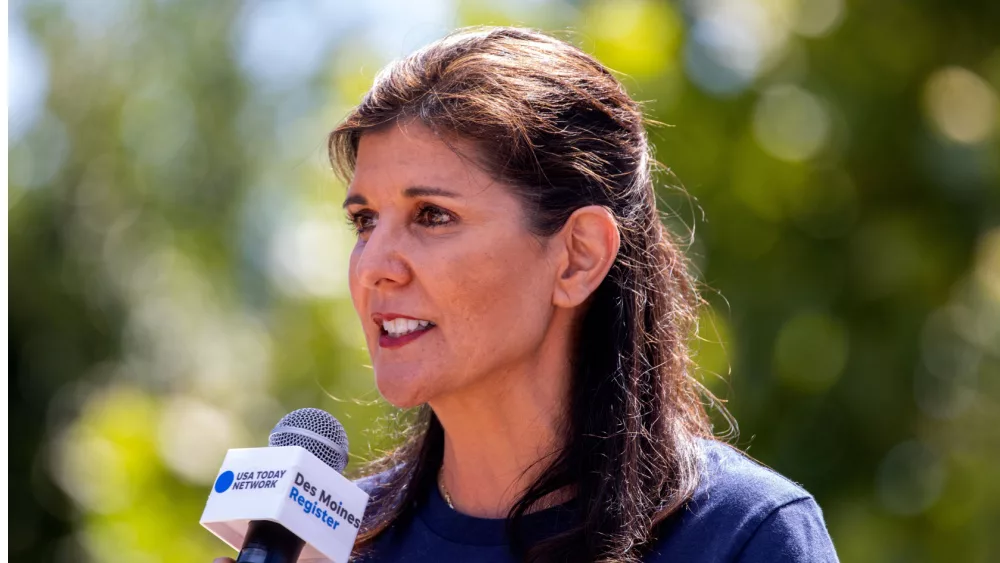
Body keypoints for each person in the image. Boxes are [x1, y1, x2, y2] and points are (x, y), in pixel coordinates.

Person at [215, 26, 839, 563]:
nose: (373, 266)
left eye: (432, 215)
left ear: (578, 256)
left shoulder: (742, 536)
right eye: (364, 221)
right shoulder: (329, 545)